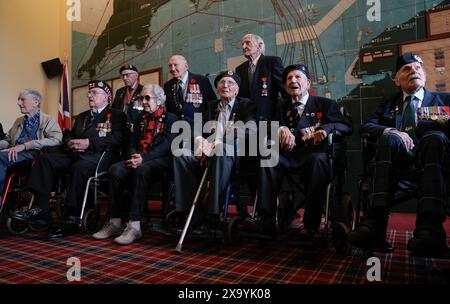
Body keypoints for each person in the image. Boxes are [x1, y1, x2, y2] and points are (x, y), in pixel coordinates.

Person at [348, 53, 450, 257]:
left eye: (418, 68)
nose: (414, 71)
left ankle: (429, 230)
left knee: (434, 138)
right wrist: (391, 131)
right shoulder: (388, 104)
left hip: (434, 164)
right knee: (388, 138)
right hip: (395, 166)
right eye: (407, 69)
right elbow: (366, 127)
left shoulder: (444, 100)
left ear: (425, 75)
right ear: (397, 80)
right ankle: (374, 225)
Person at [12, 80, 128, 238]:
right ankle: (42, 208)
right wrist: (70, 142)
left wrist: (89, 143)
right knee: (45, 159)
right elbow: (69, 136)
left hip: (100, 156)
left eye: (94, 93)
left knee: (78, 167)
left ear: (106, 97)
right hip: (75, 154)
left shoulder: (116, 115)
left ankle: (71, 216)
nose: (90, 95)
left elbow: (119, 139)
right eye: (89, 92)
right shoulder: (82, 117)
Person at [256, 64, 352, 238]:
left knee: (317, 160)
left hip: (316, 156)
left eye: (297, 77)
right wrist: (280, 129)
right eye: (289, 79)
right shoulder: (281, 108)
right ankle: (266, 219)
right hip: (289, 156)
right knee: (268, 156)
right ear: (285, 87)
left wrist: (326, 128)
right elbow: (266, 127)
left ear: (308, 83)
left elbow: (345, 125)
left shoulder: (325, 104)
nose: (293, 81)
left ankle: (311, 224)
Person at [92, 84, 178, 245]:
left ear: (159, 100)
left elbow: (167, 145)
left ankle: (134, 225)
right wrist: (134, 156)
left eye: (147, 98)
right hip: (140, 158)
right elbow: (131, 142)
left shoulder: (171, 118)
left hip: (162, 161)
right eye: (141, 98)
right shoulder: (140, 119)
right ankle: (115, 221)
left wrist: (143, 159)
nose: (144, 101)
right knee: (115, 169)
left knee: (142, 169)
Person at [173, 71, 256, 228]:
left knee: (220, 149)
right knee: (181, 154)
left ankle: (212, 214)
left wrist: (217, 143)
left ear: (237, 89)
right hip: (207, 155)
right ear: (217, 88)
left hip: (232, 159)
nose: (225, 85)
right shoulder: (211, 106)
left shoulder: (245, 105)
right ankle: (189, 212)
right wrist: (200, 141)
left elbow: (251, 129)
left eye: (230, 83)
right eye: (222, 82)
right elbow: (197, 128)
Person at [0, 89, 62, 198]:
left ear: (35, 102)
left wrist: (25, 145)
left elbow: (56, 140)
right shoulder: (18, 121)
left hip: (34, 156)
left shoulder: (48, 120)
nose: (18, 103)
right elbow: (8, 141)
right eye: (19, 100)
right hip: (14, 153)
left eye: (22, 99)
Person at [235, 33, 286, 121]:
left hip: (269, 118)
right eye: (242, 44)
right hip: (247, 120)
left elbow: (285, 90)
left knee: (269, 135)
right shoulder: (239, 69)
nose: (243, 47)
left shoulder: (272, 62)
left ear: (259, 46)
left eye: (247, 43)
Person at [163, 55, 216, 127]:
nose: (172, 69)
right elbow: (169, 110)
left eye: (175, 65)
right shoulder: (168, 86)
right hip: (178, 130)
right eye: (170, 66)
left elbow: (212, 104)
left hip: (199, 129)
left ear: (186, 66)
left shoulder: (201, 80)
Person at [111, 64, 144, 129]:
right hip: (120, 128)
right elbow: (114, 109)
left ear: (136, 75)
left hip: (136, 128)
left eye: (127, 75)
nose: (124, 78)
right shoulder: (119, 91)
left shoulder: (143, 91)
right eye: (123, 76)